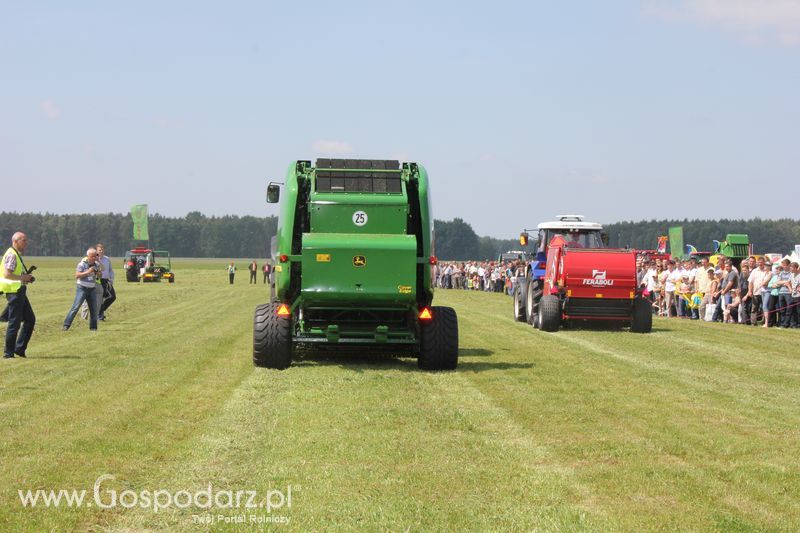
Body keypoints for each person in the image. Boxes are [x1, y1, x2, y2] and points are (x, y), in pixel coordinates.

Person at [1, 232, 36, 358]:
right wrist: (23, 277)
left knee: (30, 319)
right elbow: (7, 274)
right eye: (24, 240)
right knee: (14, 323)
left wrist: (25, 279)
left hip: (19, 290)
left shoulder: (15, 254)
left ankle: (19, 349)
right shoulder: (12, 255)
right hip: (14, 292)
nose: (26, 243)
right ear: (15, 241)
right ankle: (8, 353)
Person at [63, 248, 100, 331]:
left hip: (92, 288)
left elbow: (99, 277)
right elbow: (77, 275)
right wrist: (88, 272)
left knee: (94, 309)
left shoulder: (97, 264)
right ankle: (66, 325)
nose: (94, 258)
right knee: (75, 307)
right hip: (82, 288)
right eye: (92, 256)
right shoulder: (82, 264)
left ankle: (93, 328)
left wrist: (98, 273)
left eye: (95, 256)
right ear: (88, 256)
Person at [96, 243, 116, 320]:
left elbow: (110, 270)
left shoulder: (107, 259)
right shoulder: (94, 260)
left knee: (112, 297)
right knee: (100, 298)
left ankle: (99, 311)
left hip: (106, 281)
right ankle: (100, 316)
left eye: (102, 249)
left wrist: (111, 280)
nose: (101, 251)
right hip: (98, 281)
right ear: (96, 251)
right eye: (99, 250)